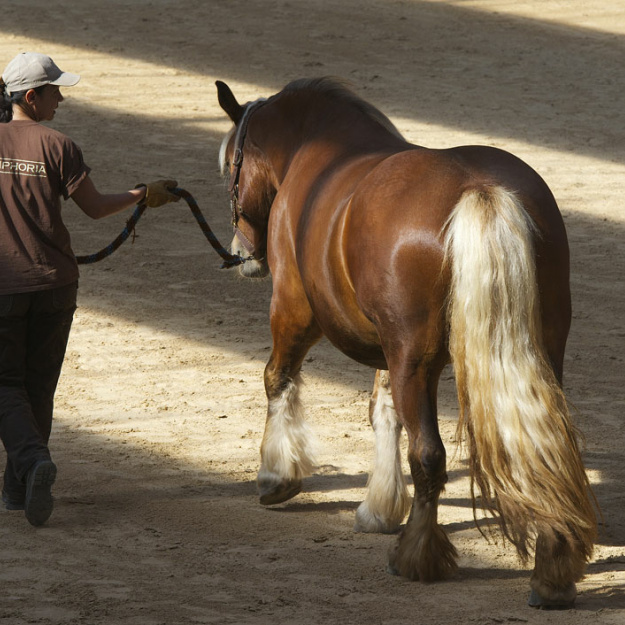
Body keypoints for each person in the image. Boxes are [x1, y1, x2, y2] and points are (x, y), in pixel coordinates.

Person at [0, 52, 180, 527]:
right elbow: (97, 208)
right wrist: (142, 194)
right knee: (38, 385)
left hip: (5, 288)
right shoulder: (61, 146)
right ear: (31, 97)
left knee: (4, 384)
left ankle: (33, 464)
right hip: (57, 285)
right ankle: (17, 486)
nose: (62, 97)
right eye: (55, 91)